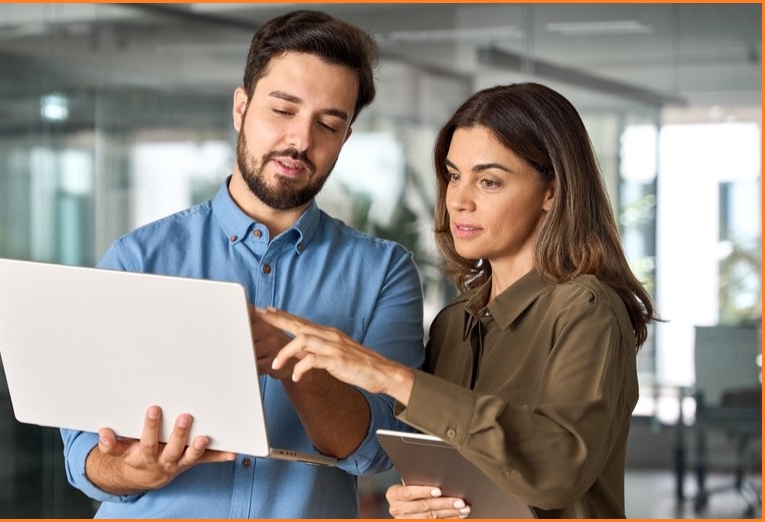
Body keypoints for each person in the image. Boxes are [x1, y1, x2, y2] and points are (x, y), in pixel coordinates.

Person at [59, 9, 427, 519]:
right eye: (283, 110)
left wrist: (293, 357)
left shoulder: (385, 272)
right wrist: (132, 470)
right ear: (241, 107)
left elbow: (377, 450)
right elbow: (82, 453)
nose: (301, 140)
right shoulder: (136, 259)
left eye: (328, 123)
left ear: (345, 138)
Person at [259, 82, 660, 518]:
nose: (460, 201)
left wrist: (390, 376)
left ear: (552, 192)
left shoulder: (587, 310)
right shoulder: (453, 324)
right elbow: (450, 475)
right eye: (453, 176)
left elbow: (557, 470)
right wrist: (413, 499)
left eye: (489, 181)